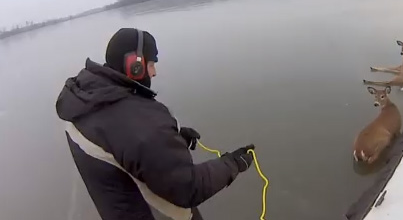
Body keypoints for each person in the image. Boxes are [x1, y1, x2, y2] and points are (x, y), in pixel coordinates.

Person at [56, 27, 254, 220]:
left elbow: (126, 151)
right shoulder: (138, 121)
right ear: (135, 65)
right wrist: (232, 164)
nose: (154, 72)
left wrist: (174, 140)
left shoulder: (82, 104)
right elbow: (187, 188)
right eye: (151, 64)